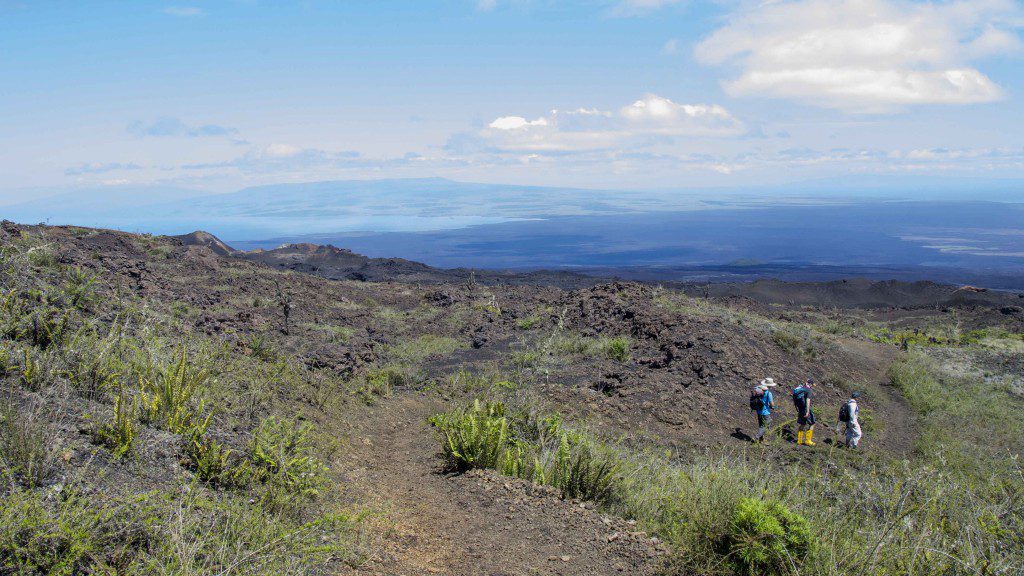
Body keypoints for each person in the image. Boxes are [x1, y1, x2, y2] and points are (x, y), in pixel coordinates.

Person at [751, 377, 777, 442]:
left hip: (758, 410)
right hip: (765, 412)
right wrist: (773, 407)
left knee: (761, 425)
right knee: (767, 423)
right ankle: (756, 437)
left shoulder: (758, 389)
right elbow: (771, 403)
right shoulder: (768, 393)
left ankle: (761, 440)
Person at [792, 379, 816, 446]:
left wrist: (797, 409)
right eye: (812, 385)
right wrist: (808, 411)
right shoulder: (809, 390)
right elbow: (808, 400)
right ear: (809, 384)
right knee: (812, 423)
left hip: (800, 409)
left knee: (802, 424)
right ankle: (808, 441)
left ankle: (799, 441)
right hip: (805, 409)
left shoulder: (800, 389)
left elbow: (794, 399)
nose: (812, 386)